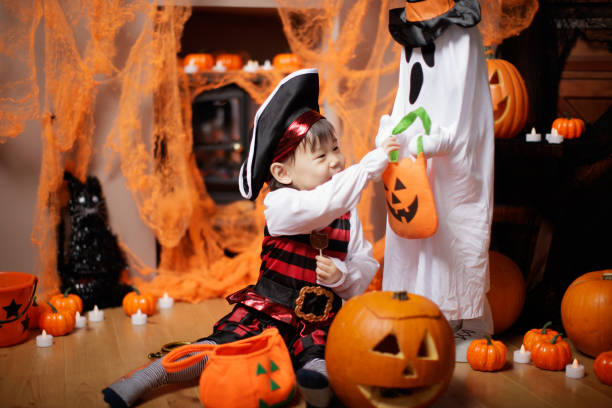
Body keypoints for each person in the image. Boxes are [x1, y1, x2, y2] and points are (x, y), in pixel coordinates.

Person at [103, 68, 399, 408]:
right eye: (321, 156)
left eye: (336, 149)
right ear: (282, 173)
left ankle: (321, 387)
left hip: (319, 320)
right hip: (268, 311)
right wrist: (367, 167)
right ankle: (150, 376)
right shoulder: (281, 205)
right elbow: (320, 206)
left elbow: (364, 261)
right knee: (221, 348)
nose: (336, 161)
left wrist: (343, 275)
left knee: (319, 355)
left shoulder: (348, 212)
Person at [376, 0, 495, 362]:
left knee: (452, 227)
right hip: (415, 153)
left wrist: (435, 141)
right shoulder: (411, 36)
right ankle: (415, 311)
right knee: (413, 230)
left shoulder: (460, 39)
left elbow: (461, 105)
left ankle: (463, 319)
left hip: (452, 155)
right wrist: (394, 132)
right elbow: (408, 94)